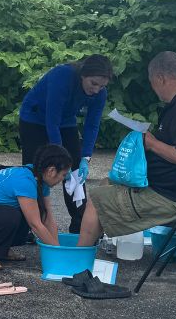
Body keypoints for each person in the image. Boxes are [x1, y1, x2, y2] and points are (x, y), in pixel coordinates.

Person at [77, 51, 176, 246]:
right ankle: (92, 247)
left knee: (96, 200)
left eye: (152, 83)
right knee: (106, 183)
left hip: (175, 198)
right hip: (174, 189)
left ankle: (79, 258)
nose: (154, 89)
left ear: (160, 78)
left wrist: (152, 143)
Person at [19, 54, 113, 235]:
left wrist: (85, 157)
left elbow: (92, 125)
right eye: (93, 83)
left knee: (75, 169)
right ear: (83, 75)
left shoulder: (100, 93)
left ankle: (80, 226)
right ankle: (28, 227)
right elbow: (52, 120)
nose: (96, 90)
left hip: (66, 120)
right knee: (34, 171)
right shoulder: (62, 76)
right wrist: (61, 159)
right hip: (35, 118)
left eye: (102, 86)